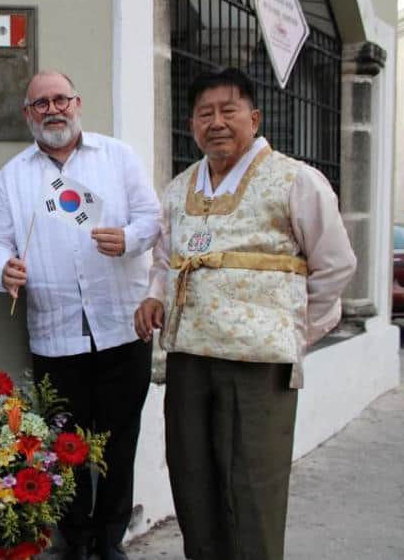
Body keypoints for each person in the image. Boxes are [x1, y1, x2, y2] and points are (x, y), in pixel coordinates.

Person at [134, 68, 357, 560]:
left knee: (254, 487)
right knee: (194, 480)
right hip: (189, 357)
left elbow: (335, 265)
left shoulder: (296, 180)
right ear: (191, 124)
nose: (216, 122)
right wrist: (155, 296)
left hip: (259, 364)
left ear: (254, 118)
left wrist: (294, 331)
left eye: (228, 110)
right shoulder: (179, 188)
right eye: (204, 113)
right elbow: (165, 260)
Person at [0, 70, 161, 560]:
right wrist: (3, 269)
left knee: (120, 441)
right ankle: (76, 539)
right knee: (64, 447)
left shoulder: (118, 157)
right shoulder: (14, 175)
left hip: (123, 326)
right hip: (55, 336)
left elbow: (152, 218)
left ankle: (110, 539)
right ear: (27, 114)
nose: (52, 109)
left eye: (61, 99)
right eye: (41, 103)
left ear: (77, 103)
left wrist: (129, 238)